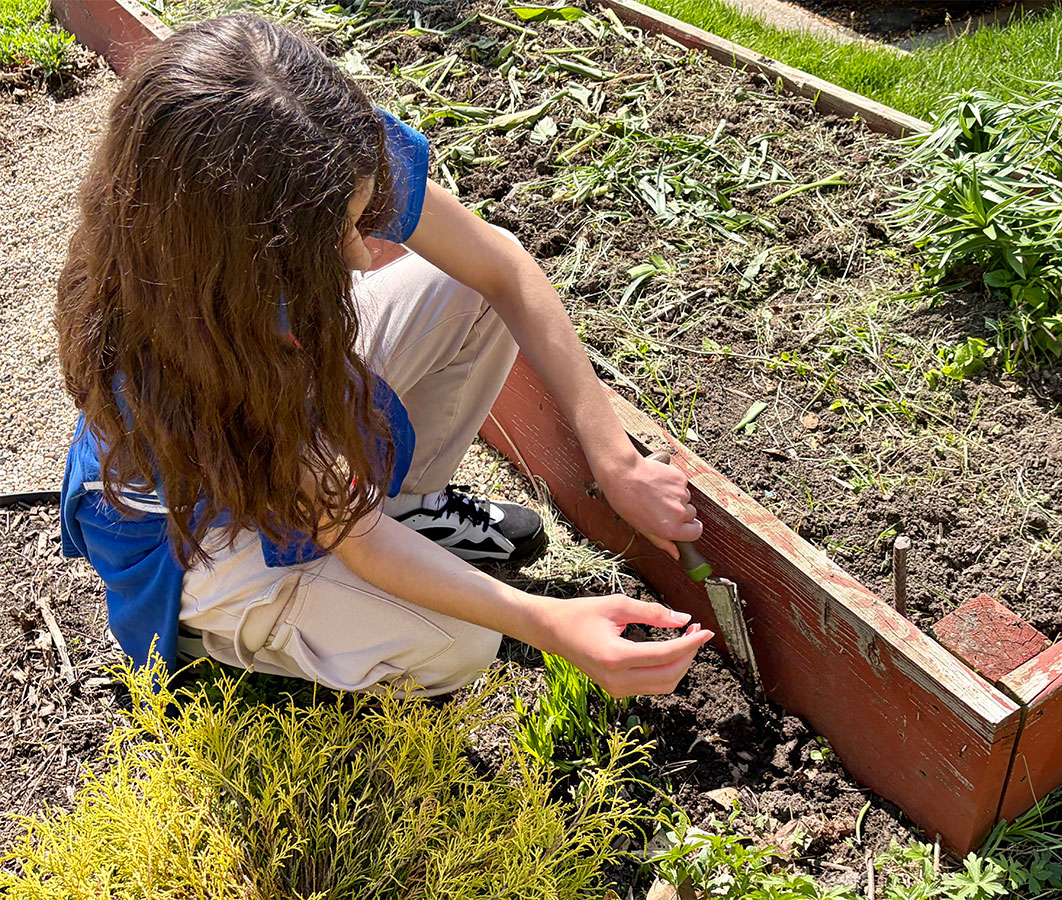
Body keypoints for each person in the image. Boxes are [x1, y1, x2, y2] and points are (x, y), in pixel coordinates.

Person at [55, 14, 713, 698]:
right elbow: (355, 535)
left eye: (358, 216)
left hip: (294, 430)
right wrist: (549, 623)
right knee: (459, 646)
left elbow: (503, 269)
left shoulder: (312, 142)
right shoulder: (187, 363)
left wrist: (614, 457)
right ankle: (216, 644)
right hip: (195, 531)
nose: (362, 256)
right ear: (243, 249)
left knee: (462, 280)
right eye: (333, 237)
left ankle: (411, 507)